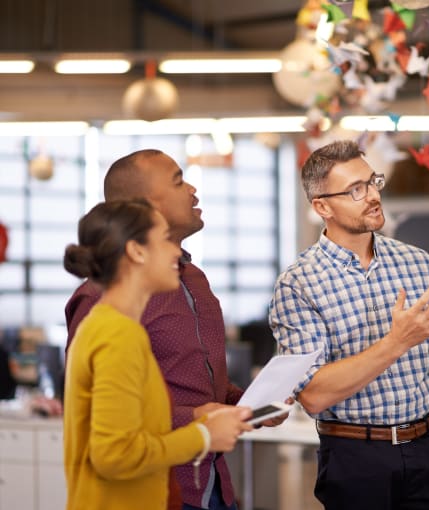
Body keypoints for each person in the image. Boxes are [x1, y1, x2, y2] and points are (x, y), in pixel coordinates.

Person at [269, 140, 429, 510]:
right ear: (322, 207)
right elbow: (315, 396)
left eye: (372, 182)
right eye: (355, 190)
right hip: (355, 459)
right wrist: (396, 342)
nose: (372, 196)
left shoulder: (416, 262)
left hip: (428, 450)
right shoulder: (299, 283)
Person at [65, 149, 287, 510]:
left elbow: (169, 399)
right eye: (162, 242)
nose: (176, 256)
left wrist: (242, 407)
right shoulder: (108, 324)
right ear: (137, 248)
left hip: (206, 482)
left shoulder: (187, 284)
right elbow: (112, 450)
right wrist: (202, 428)